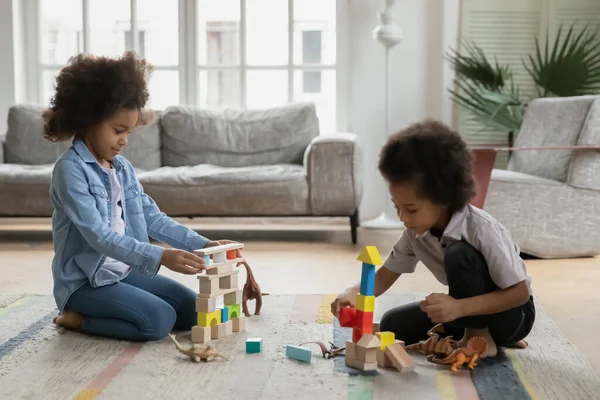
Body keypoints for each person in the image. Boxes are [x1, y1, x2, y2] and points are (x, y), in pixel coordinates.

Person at [45, 51, 236, 342]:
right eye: (117, 130)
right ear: (87, 119)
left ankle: (119, 305)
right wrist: (160, 256)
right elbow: (99, 236)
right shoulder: (69, 170)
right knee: (158, 321)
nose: (124, 140)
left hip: (121, 272)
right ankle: (77, 319)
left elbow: (151, 217)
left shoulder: (121, 167)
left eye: (129, 132)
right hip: (85, 282)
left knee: (194, 311)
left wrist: (203, 244)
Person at [330, 119, 535, 357]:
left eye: (411, 209)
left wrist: (459, 307)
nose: (403, 217)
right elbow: (384, 276)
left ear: (444, 198)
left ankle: (483, 340)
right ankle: (472, 332)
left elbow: (520, 292)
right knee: (392, 325)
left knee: (459, 253)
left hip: (512, 314)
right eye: (397, 206)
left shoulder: (481, 228)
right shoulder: (416, 233)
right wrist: (353, 293)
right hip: (468, 312)